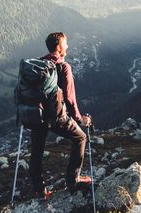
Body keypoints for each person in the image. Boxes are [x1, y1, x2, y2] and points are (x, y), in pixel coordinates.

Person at [27, 31, 93, 199]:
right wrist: (79, 120)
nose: (67, 46)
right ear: (58, 47)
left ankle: (38, 189)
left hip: (36, 114)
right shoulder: (63, 67)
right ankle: (73, 181)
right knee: (80, 138)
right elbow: (70, 100)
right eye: (65, 43)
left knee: (37, 151)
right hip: (55, 117)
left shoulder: (37, 65)